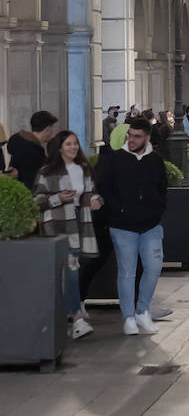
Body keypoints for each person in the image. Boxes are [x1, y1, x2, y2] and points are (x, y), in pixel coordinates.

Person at [93, 116, 168, 336]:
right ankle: (128, 317)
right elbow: (103, 187)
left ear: (147, 138)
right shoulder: (114, 159)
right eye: (130, 135)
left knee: (153, 268)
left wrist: (157, 211)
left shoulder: (155, 161)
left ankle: (142, 310)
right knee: (127, 272)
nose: (132, 139)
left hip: (151, 225)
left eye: (137, 136)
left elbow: (162, 189)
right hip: (122, 225)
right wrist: (118, 211)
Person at [33, 130, 103, 340]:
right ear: (59, 148)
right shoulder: (47, 172)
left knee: (72, 271)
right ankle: (76, 319)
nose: (73, 147)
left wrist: (96, 200)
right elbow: (36, 201)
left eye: (75, 143)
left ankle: (65, 314)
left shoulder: (83, 169)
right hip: (56, 225)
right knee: (71, 270)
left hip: (80, 223)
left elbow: (91, 193)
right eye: (68, 144)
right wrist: (58, 199)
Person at [7, 110, 59, 189]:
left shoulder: (21, 143)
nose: (54, 132)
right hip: (29, 197)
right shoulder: (33, 152)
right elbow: (32, 183)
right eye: (52, 128)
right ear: (47, 129)